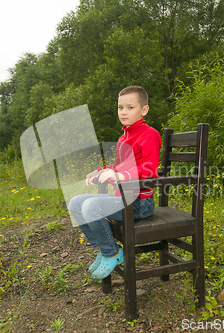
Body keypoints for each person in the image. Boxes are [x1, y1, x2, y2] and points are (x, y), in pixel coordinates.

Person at [68, 86, 162, 280]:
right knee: (76, 203)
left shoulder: (149, 134)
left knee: (91, 207)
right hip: (122, 198)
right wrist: (102, 171)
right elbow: (118, 166)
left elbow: (149, 169)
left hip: (140, 204)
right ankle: (105, 250)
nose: (124, 112)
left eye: (130, 107)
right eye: (120, 107)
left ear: (144, 110)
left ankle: (113, 254)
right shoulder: (123, 138)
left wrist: (121, 176)